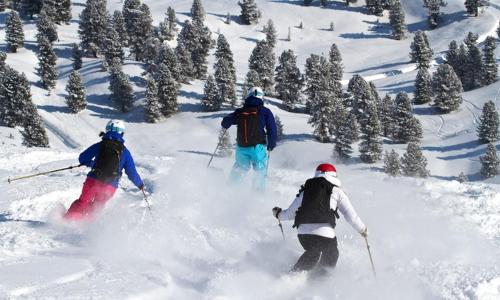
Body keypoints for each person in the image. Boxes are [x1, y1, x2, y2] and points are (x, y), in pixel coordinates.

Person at [272, 163, 367, 274]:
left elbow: (289, 214)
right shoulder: (337, 191)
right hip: (325, 233)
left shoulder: (305, 191)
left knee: (313, 252)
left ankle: (292, 276)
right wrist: (363, 230)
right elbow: (351, 217)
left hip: (303, 233)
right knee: (331, 253)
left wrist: (278, 214)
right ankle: (318, 283)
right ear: (334, 176)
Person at [64, 120, 144, 221]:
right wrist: (140, 184)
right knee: (97, 207)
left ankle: (67, 222)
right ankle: (87, 226)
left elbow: (83, 158)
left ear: (107, 130)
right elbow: (131, 172)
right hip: (110, 185)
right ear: (122, 133)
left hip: (93, 180)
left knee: (83, 202)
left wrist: (93, 164)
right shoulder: (125, 152)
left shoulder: (100, 145)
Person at [221, 87, 277, 190]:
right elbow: (272, 129)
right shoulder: (265, 111)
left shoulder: (240, 111)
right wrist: (271, 144)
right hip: (257, 148)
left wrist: (229, 121)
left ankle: (230, 189)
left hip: (241, 147)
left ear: (248, 95)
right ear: (261, 97)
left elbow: (225, 122)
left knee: (240, 168)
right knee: (260, 170)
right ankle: (258, 194)